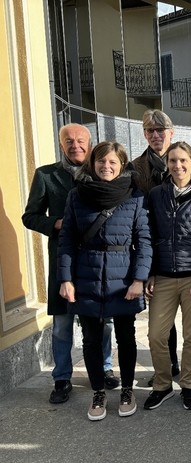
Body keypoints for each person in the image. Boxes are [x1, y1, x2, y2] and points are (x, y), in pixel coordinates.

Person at [22, 124, 119, 404]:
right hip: (63, 260)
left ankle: (103, 368)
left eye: (80, 140)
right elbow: (30, 216)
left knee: (104, 320)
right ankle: (62, 377)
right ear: (61, 144)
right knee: (63, 324)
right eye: (69, 140)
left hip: (97, 261)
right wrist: (56, 223)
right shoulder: (46, 175)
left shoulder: (101, 172)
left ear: (90, 144)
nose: (75, 145)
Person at [57, 141, 151, 421]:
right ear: (92, 163)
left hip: (123, 279)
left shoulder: (135, 197)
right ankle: (98, 391)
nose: (106, 166)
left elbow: (144, 241)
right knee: (91, 340)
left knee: (126, 337)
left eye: (112, 162)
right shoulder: (77, 195)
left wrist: (139, 279)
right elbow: (67, 240)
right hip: (86, 276)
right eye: (101, 161)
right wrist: (66, 279)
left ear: (122, 165)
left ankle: (126, 390)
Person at [144, 141, 191, 411]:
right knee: (156, 334)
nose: (177, 165)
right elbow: (149, 236)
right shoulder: (156, 194)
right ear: (166, 164)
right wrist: (151, 272)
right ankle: (163, 385)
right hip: (163, 277)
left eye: (182, 160)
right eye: (172, 161)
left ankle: (188, 385)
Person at [131, 109, 191, 385]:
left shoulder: (189, 162)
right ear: (145, 134)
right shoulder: (137, 168)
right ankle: (169, 368)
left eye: (160, 130)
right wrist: (146, 267)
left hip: (188, 256)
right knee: (162, 325)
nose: (155, 135)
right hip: (158, 255)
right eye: (150, 130)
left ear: (171, 133)